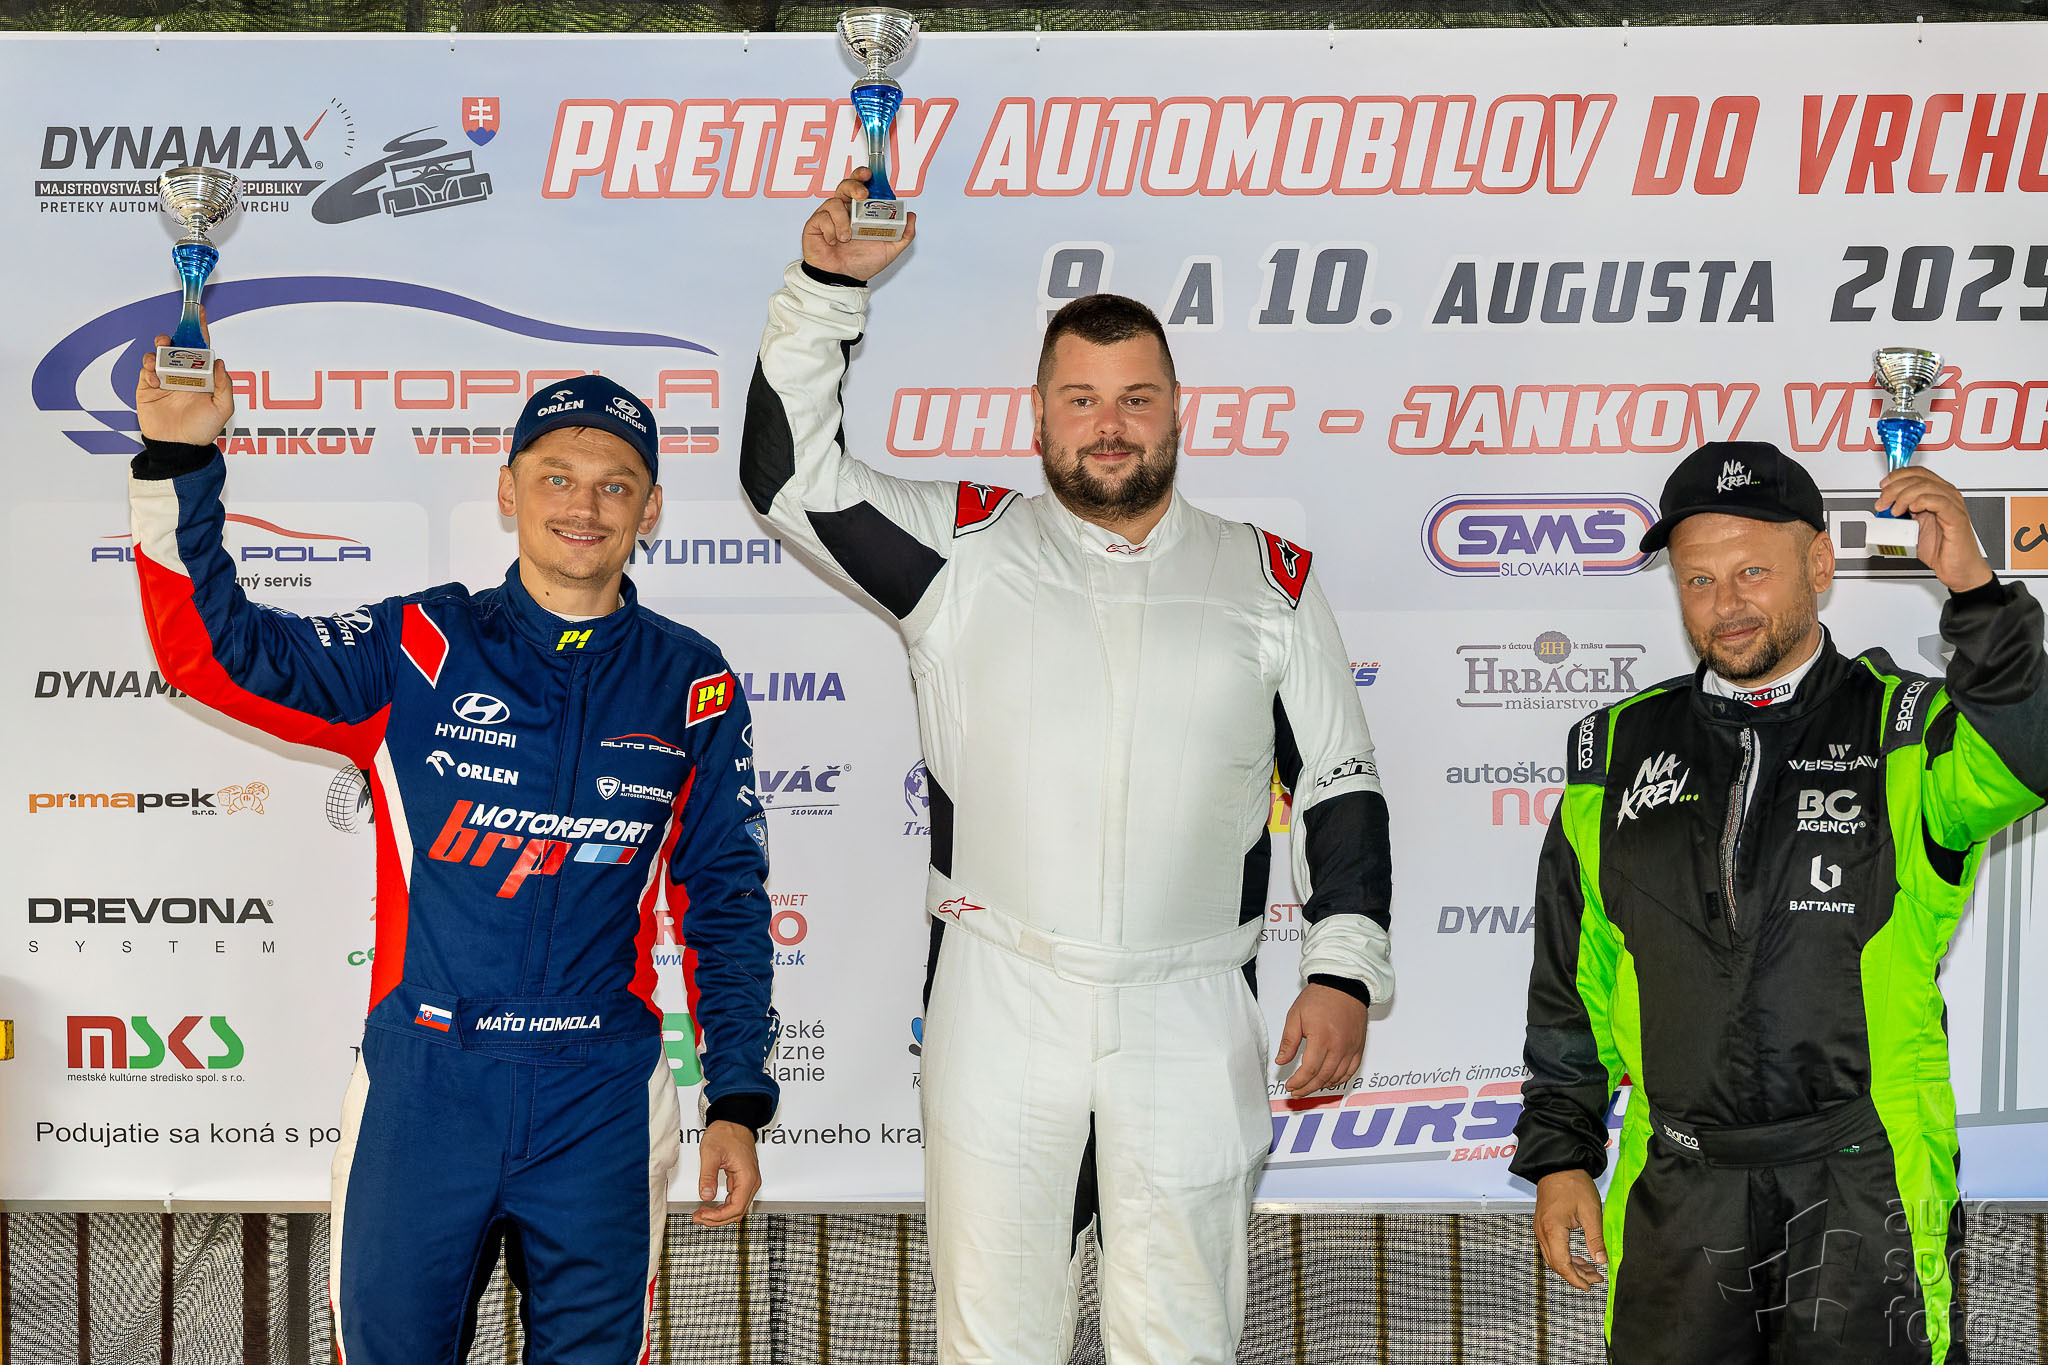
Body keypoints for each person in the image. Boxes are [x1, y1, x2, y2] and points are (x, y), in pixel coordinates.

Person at [740, 172, 1394, 1364]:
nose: (1109, 424)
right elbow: (789, 479)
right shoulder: (957, 551)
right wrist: (825, 289)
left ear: (1177, 412)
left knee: (1181, 1337)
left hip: (1190, 1003)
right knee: (996, 1340)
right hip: (1001, 990)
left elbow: (1338, 784)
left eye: (1135, 398)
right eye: (1080, 399)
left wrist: (1343, 968)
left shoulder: (1268, 580)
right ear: (1036, 416)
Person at [130, 336, 778, 1364]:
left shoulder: (691, 683)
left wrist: (736, 1097)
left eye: (615, 485)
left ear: (649, 509)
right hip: (427, 1081)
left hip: (600, 1093)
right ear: (507, 492)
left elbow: (726, 898)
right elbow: (215, 653)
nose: (584, 505)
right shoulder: (418, 647)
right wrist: (178, 462)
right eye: (555, 476)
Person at [1513, 440, 2046, 1364]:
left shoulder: (1908, 728)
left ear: (1820, 565)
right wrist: (1562, 1155)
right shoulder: (1614, 751)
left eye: (1752, 571)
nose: (1726, 604)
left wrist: (1977, 594)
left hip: (1864, 1180)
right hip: (1677, 1188)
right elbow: (1571, 982)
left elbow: (2029, 756)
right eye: (1699, 580)